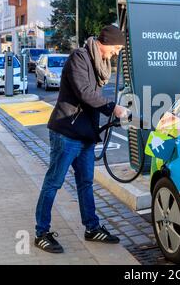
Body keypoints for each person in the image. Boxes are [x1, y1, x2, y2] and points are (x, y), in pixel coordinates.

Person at [34, 25, 129, 254]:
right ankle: (41, 232)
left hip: (85, 135)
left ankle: (92, 227)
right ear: (104, 43)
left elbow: (92, 95)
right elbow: (85, 92)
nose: (116, 54)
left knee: (85, 183)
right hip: (66, 132)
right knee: (54, 182)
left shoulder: (99, 64)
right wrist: (112, 108)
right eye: (116, 48)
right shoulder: (80, 57)